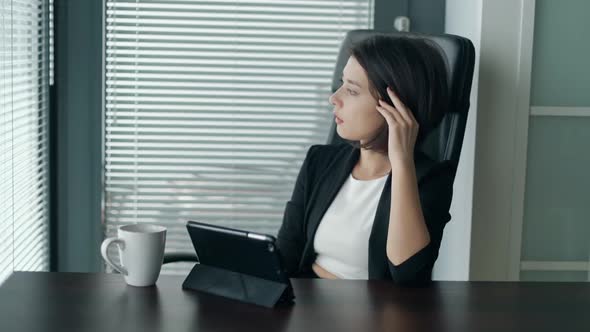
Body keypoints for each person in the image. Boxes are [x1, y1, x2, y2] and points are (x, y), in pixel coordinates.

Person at [276, 35, 455, 285]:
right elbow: (286, 255)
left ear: (395, 106)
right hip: (307, 299)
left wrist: (402, 161)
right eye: (341, 85)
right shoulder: (319, 161)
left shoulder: (431, 179)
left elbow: (409, 276)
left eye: (351, 90)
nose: (333, 98)